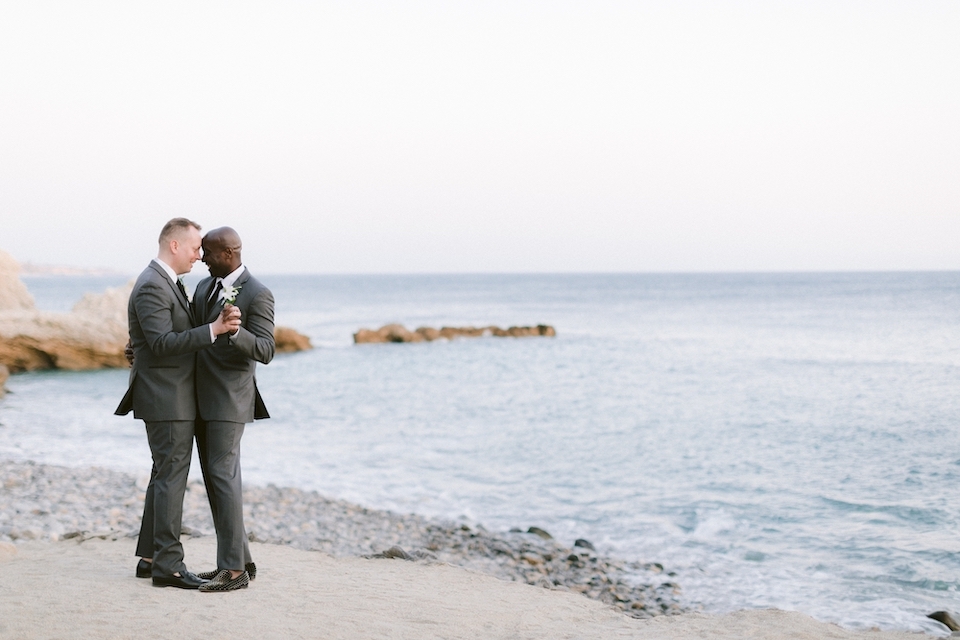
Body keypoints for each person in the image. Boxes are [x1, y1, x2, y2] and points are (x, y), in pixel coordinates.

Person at [115, 218, 241, 589]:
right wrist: (214, 330)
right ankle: (169, 566)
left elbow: (150, 340)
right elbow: (162, 344)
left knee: (162, 475)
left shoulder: (164, 282)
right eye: (194, 247)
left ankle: (151, 557)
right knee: (171, 477)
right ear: (174, 245)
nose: (199, 255)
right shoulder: (154, 284)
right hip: (166, 397)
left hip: (167, 394)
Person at [191, 226, 275, 592]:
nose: (202, 258)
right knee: (218, 480)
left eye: (207, 252)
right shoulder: (202, 288)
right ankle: (240, 561)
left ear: (228, 253)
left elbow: (266, 350)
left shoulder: (258, 293)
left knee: (223, 478)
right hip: (197, 396)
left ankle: (233, 572)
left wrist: (235, 332)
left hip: (229, 399)